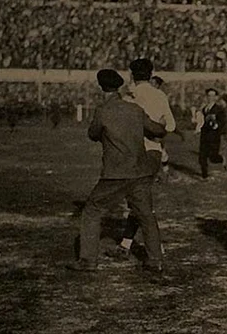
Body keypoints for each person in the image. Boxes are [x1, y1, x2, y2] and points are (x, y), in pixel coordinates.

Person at [66, 69, 166, 273]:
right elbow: (157, 130)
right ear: (120, 87)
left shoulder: (103, 111)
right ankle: (155, 260)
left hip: (115, 174)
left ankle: (88, 261)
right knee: (146, 214)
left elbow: (93, 134)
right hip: (140, 171)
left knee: (92, 210)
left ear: (102, 88)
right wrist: (161, 123)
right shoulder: (135, 109)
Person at [106, 60, 176, 260]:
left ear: (131, 74)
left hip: (131, 153)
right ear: (151, 73)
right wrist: (156, 126)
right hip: (152, 152)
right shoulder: (159, 95)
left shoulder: (128, 97)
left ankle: (154, 248)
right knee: (139, 200)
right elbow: (170, 125)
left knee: (139, 202)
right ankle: (127, 244)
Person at [199, 88, 227, 180]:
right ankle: (204, 175)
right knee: (202, 156)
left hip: (214, 136)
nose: (210, 98)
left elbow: (222, 121)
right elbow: (201, 121)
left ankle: (221, 159)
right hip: (204, 135)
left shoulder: (219, 109)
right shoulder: (204, 108)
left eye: (213, 96)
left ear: (216, 97)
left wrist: (216, 125)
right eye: (209, 96)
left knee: (213, 157)